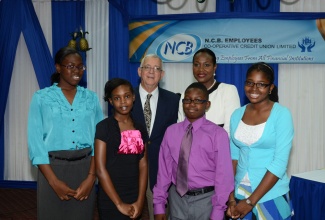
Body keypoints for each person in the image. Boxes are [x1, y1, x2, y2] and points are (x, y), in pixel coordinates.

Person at [27, 47, 103, 219]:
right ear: (58, 67)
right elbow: (35, 143)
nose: (76, 71)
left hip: (85, 169)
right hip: (51, 170)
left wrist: (91, 178)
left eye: (80, 66)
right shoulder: (41, 98)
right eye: (70, 66)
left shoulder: (91, 98)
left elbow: (99, 140)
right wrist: (53, 182)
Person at [153, 82, 234, 220]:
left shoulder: (218, 134)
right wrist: (159, 205)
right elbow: (164, 171)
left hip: (207, 200)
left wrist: (218, 211)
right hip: (177, 199)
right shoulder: (171, 131)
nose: (191, 104)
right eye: (188, 100)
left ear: (207, 105)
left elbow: (223, 175)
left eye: (198, 100)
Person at [226, 62, 294, 219]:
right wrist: (230, 197)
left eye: (261, 84)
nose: (254, 89)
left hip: (271, 193)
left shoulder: (282, 115)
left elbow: (279, 164)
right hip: (239, 192)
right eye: (249, 83)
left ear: (271, 88)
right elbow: (233, 159)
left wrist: (250, 202)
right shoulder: (237, 114)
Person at [132, 54, 180, 219]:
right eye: (147, 67)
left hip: (161, 170)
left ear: (162, 74)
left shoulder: (174, 100)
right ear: (139, 71)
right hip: (131, 168)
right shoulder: (126, 97)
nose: (151, 72)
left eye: (157, 68)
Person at [95, 78, 148, 219]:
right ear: (111, 101)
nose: (123, 102)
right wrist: (119, 204)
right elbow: (100, 169)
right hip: (110, 196)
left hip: (134, 195)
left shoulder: (140, 128)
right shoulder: (103, 127)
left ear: (134, 97)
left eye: (127, 96)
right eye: (117, 98)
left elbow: (143, 165)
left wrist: (140, 200)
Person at [177, 48, 240, 135]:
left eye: (206, 65)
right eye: (196, 65)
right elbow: (181, 127)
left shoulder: (228, 90)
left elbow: (230, 129)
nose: (201, 69)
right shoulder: (186, 94)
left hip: (218, 147)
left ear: (215, 67)